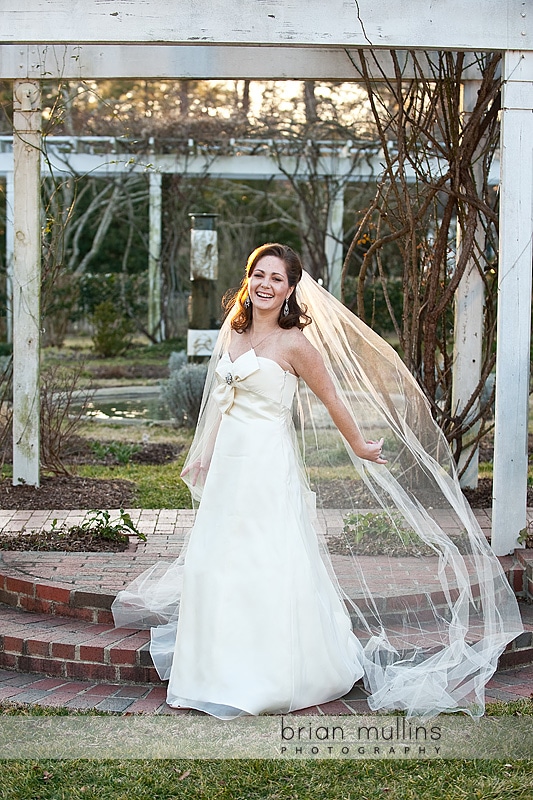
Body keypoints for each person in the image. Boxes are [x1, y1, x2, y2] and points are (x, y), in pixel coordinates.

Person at [112, 243, 522, 720]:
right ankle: (209, 671)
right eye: (259, 275)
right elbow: (222, 402)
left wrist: (361, 446)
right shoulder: (234, 336)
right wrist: (202, 454)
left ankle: (275, 675)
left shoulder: (296, 344)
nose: (266, 285)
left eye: (277, 279)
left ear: (290, 289)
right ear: (248, 279)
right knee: (214, 560)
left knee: (267, 559)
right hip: (229, 464)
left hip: (266, 464)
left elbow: (331, 399)